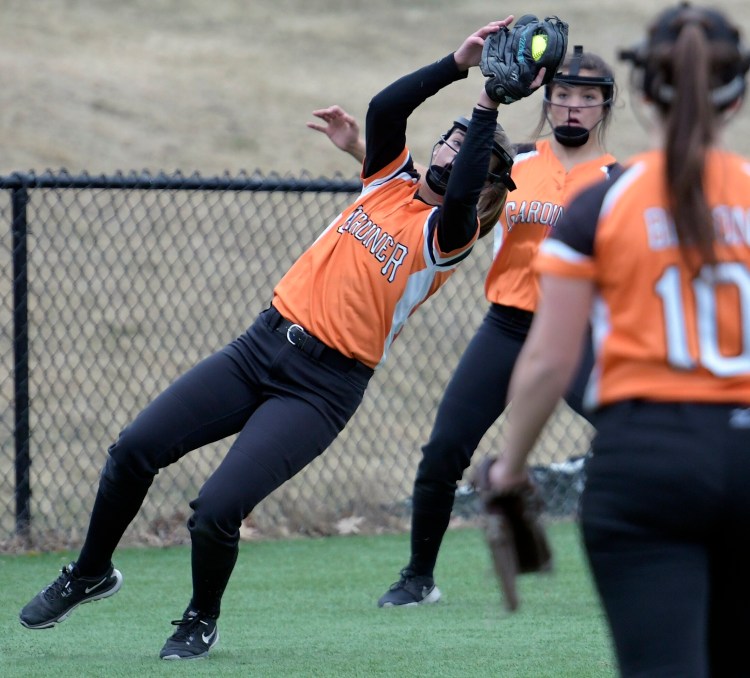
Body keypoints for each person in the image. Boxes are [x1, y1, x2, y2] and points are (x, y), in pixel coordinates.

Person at [18, 16, 538, 660]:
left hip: (322, 389)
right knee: (133, 449)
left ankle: (199, 619)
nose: (457, 148)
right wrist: (458, 64)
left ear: (486, 183)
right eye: (453, 138)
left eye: (475, 154)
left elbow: (461, 195)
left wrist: (487, 104)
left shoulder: (448, 236)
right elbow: (386, 108)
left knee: (215, 508)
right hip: (258, 348)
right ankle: (89, 572)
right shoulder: (387, 182)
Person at [482, 4, 750, 675]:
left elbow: (549, 357)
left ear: (636, 93)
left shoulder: (601, 204)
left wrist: (510, 472)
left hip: (645, 463)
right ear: (739, 95)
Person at [368, 46, 620, 606]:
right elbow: (444, 199)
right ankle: (417, 579)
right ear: (547, 101)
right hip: (507, 328)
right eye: (562, 96)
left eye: (587, 98)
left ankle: (677, 559)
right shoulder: (517, 165)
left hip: (577, 334)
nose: (573, 107)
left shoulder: (621, 183)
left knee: (645, 438)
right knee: (444, 451)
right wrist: (358, 152)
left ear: (605, 106)